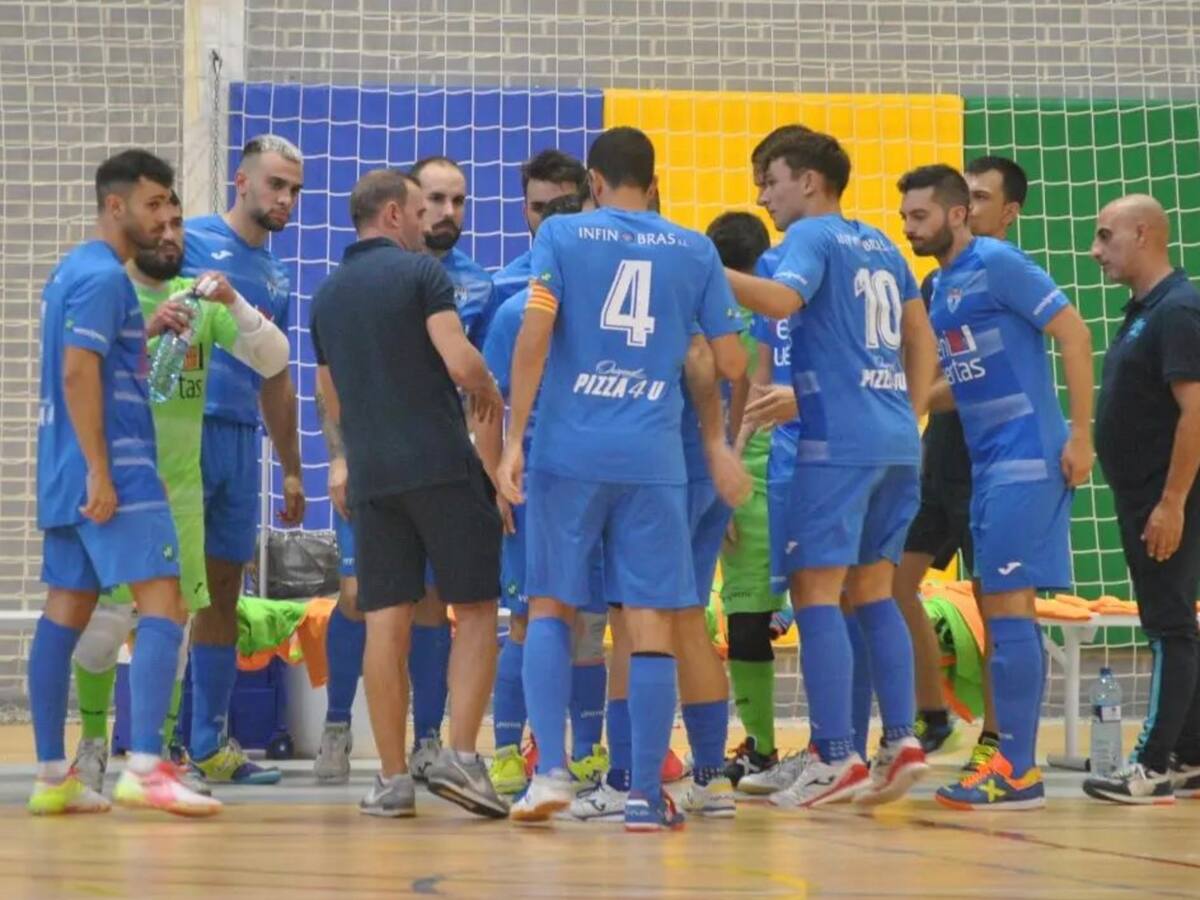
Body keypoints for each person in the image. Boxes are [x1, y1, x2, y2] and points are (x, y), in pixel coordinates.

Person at [497, 126, 747, 831]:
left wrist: (514, 439)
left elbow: (535, 334)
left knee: (551, 607)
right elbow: (729, 363)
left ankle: (549, 773)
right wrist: (715, 441)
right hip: (654, 459)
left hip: (569, 453)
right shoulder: (694, 248)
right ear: (653, 180)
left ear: (595, 184)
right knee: (651, 622)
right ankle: (643, 795)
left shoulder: (562, 235)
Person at [725, 127, 939, 809]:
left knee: (816, 594)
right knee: (874, 592)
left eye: (771, 180)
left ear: (810, 181)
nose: (764, 196)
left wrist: (700, 266)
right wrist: (907, 411)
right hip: (894, 441)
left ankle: (834, 754)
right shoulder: (881, 244)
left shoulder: (809, 239)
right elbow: (922, 336)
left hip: (834, 443)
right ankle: (900, 740)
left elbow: (781, 302)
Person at [69, 196, 289, 794]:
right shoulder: (106, 296)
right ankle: (92, 743)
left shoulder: (198, 303)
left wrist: (234, 301)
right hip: (117, 491)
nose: (170, 236)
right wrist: (141, 332)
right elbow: (74, 378)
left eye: (176, 227)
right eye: (158, 226)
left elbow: (274, 357)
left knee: (171, 628)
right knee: (104, 626)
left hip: (181, 496)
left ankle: (158, 757)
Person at [310, 168, 507, 819]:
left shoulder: (327, 296)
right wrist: (488, 388)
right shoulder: (424, 274)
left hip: (372, 478)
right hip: (442, 467)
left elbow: (331, 396)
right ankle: (462, 757)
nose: (428, 223)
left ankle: (391, 779)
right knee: (475, 608)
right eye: (421, 211)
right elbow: (459, 359)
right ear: (394, 215)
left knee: (384, 620)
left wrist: (342, 459)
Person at [898, 163, 1094, 810]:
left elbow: (1074, 333)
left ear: (956, 215)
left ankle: (1016, 767)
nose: (909, 228)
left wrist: (1081, 435)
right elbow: (968, 383)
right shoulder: (943, 285)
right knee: (1003, 611)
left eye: (919, 216)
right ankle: (1009, 761)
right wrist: (901, 405)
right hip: (986, 465)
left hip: (1027, 458)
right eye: (904, 217)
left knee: (1009, 610)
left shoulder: (999, 263)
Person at [30, 149, 218, 816]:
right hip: (115, 469)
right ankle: (145, 766)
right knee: (165, 602)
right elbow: (78, 372)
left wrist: (144, 333)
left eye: (170, 204)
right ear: (116, 206)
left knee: (66, 611)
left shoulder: (71, 272)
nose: (165, 217)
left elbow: (96, 361)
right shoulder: (106, 279)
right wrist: (102, 470)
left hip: (60, 471)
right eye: (153, 204)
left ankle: (51, 777)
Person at [896, 155, 1030, 764]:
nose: (969, 207)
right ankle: (933, 715)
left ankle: (997, 740)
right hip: (938, 459)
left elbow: (985, 375)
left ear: (1009, 212)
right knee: (890, 583)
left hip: (990, 465)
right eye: (966, 195)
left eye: (981, 198)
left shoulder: (1008, 278)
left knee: (994, 603)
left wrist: (913, 397)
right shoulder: (936, 283)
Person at [477, 191, 611, 798]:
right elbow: (487, 404)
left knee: (590, 622)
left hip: (599, 480)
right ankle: (508, 751)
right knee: (528, 618)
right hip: (535, 484)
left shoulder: (606, 307)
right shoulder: (514, 313)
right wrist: (496, 479)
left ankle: (585, 753)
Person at [182, 134, 306, 786]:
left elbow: (276, 378)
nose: (285, 199)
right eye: (275, 185)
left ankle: (207, 744)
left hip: (240, 441)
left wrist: (291, 466)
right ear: (242, 181)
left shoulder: (277, 277)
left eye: (294, 190)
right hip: (184, 433)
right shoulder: (191, 241)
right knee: (159, 588)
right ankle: (142, 748)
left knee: (224, 589)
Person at [1086, 194, 1200, 804]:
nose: (1095, 250)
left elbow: (1196, 412)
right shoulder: (1145, 311)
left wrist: (1172, 501)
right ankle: (1189, 754)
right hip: (1145, 495)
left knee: (1167, 627)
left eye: (1106, 236)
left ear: (1144, 234)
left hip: (1164, 498)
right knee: (1176, 622)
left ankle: (1152, 765)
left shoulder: (1177, 310)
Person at [400, 155, 497, 777]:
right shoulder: (385, 275)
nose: (448, 212)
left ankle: (438, 742)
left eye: (458, 201)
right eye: (436, 199)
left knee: (456, 597)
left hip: (455, 464)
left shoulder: (481, 285)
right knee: (387, 602)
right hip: (390, 456)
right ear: (408, 203)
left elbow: (485, 388)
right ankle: (365, 733)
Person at [705, 211, 791, 789]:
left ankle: (764, 747)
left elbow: (735, 396)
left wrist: (726, 480)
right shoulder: (784, 306)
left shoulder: (720, 317)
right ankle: (837, 748)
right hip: (794, 470)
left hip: (754, 475)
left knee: (746, 622)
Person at [490, 149, 588, 311]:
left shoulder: (610, 275)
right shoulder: (501, 287)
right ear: (525, 212)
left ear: (584, 209)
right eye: (539, 208)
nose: (549, 218)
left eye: (562, 206)